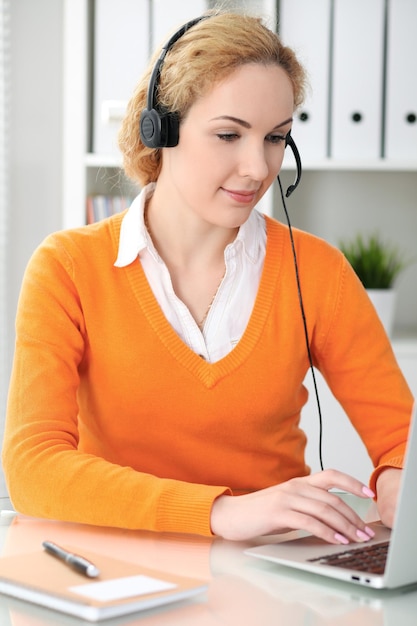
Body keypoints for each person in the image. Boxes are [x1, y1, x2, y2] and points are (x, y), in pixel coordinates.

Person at [2, 10, 413, 545]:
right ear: (161, 128)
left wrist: (397, 479)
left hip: (272, 572)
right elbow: (33, 466)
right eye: (228, 134)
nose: (257, 168)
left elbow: (403, 439)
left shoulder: (317, 272)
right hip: (116, 569)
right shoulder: (69, 267)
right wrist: (220, 513)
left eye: (275, 139)